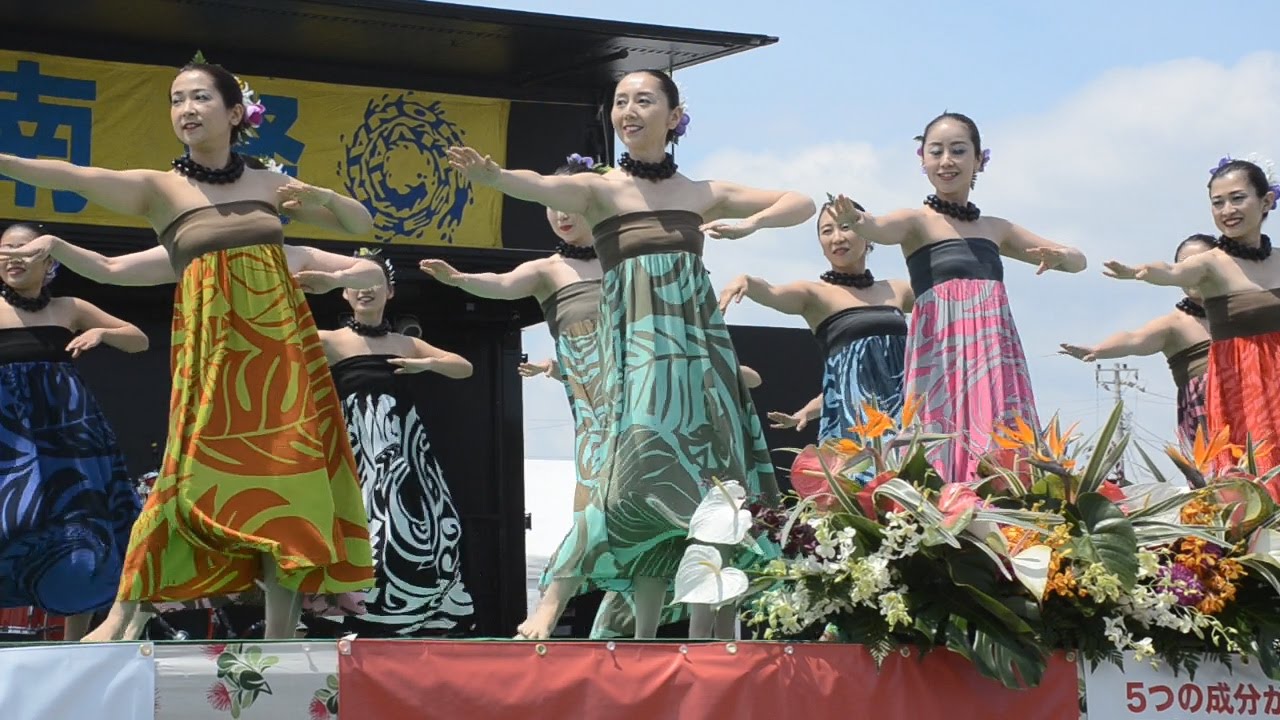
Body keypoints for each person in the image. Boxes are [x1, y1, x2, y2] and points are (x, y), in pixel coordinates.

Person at [0, 56, 382, 640]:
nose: (185, 109)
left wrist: (324, 199)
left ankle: (280, 634)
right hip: (215, 357)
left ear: (234, 113)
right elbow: (71, 178)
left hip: (280, 354)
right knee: (188, 477)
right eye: (177, 100)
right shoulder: (161, 189)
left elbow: (360, 230)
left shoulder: (269, 183)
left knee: (292, 475)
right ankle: (125, 616)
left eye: (199, 97)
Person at [447, 68, 813, 639]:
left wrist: (753, 223)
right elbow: (539, 186)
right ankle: (631, 631)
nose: (629, 110)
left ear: (673, 117)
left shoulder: (699, 192)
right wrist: (494, 176)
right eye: (620, 101)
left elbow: (800, 200)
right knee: (638, 478)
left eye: (644, 100)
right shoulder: (601, 189)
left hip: (696, 355)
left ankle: (702, 635)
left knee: (711, 483)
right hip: (639, 358)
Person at [827, 112, 1086, 483]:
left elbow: (1078, 260)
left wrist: (1063, 257)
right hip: (942, 351)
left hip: (992, 352)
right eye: (936, 151)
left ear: (980, 159)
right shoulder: (917, 221)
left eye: (958, 150)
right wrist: (857, 219)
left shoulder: (996, 229)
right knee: (940, 436)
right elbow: (878, 228)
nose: (946, 160)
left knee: (1000, 435)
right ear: (923, 160)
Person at [312, 248, 476, 636]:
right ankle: (352, 609)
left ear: (390, 292)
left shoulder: (405, 344)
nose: (365, 291)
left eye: (375, 284)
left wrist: (428, 363)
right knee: (364, 527)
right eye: (357, 284)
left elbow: (464, 367)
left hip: (404, 450)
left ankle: (411, 610)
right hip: (357, 448)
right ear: (345, 293)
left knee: (427, 526)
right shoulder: (329, 340)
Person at [0, 223, 147, 641]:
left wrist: (102, 332)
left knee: (81, 524)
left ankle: (74, 644)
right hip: (10, 438)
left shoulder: (69, 307)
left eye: (27, 251)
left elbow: (137, 339)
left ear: (48, 260)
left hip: (68, 433)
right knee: (11, 523)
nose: (15, 258)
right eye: (7, 250)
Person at [1104, 158, 1280, 471]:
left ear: (1266, 201)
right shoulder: (1212, 263)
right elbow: (1172, 271)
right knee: (1254, 476)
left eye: (1237, 198)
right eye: (1218, 202)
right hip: (1242, 388)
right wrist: (1141, 271)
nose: (1227, 210)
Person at [720, 198, 914, 456]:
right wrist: (747, 281)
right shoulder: (815, 295)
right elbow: (772, 292)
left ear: (868, 234)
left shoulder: (897, 290)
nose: (837, 237)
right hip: (854, 428)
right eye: (827, 231)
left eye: (846, 226)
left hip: (905, 418)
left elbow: (944, 296)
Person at [1060, 235, 1214, 456]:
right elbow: (1133, 339)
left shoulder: (1248, 311)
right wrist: (1098, 350)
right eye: (1183, 266)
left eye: (1199, 263)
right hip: (1207, 421)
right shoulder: (1176, 325)